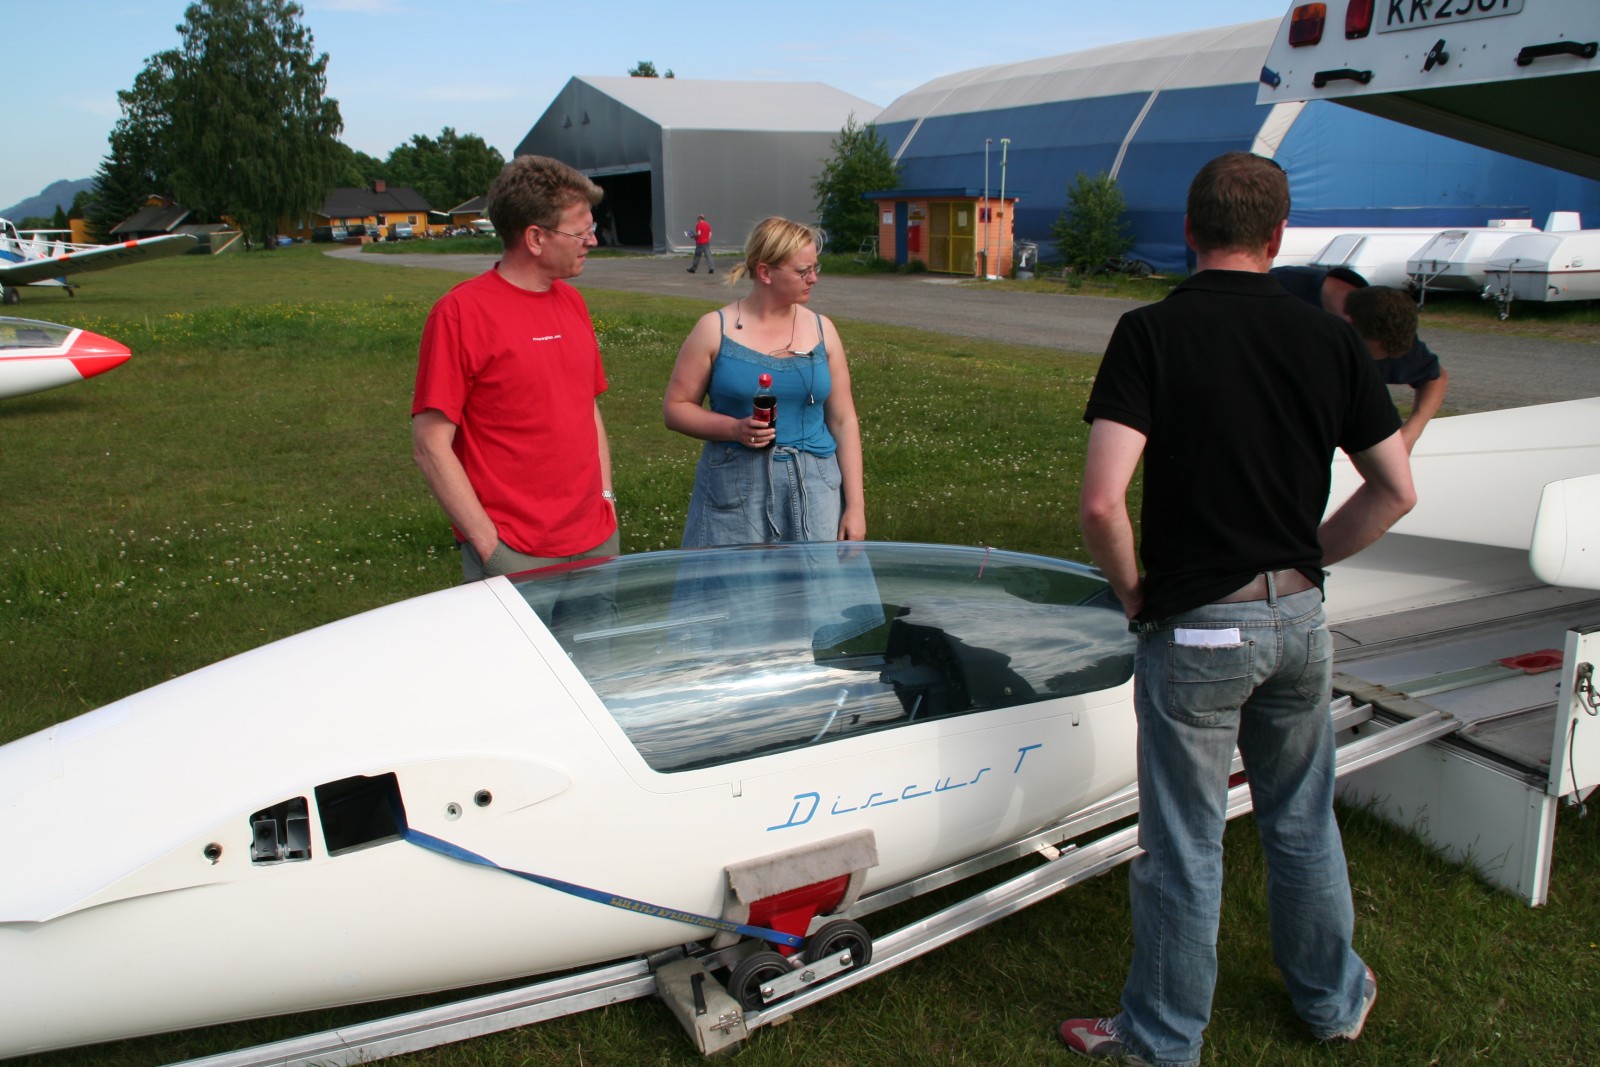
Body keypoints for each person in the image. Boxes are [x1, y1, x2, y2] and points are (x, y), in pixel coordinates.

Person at [1061, 152, 1416, 1067]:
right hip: (1298, 622)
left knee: (1185, 842)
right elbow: (1395, 490)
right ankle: (1331, 999)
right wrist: (1305, 559)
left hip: (1198, 626)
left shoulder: (1150, 332)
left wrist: (1136, 592)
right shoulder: (1332, 339)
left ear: (1189, 230)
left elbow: (1101, 503)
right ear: (1277, 237)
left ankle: (1162, 1037)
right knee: (1301, 819)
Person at [412, 154, 619, 583]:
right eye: (581, 232)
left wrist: (606, 499)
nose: (593, 241)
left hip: (595, 539)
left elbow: (587, 406)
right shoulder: (460, 314)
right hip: (514, 552)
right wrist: (488, 544)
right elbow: (430, 445)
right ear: (535, 238)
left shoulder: (572, 302)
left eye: (591, 229)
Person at [663, 216, 865, 546]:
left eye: (815, 268)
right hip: (735, 491)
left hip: (816, 491)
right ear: (765, 273)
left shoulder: (822, 329)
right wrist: (733, 429)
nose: (814, 279)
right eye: (803, 271)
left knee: (812, 580)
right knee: (736, 579)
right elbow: (676, 408)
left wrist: (855, 506)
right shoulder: (714, 329)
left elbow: (843, 421)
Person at [1344, 285, 1450, 452]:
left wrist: (1411, 433)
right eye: (1374, 355)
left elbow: (1434, 378)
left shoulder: (1393, 337)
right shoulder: (1310, 327)